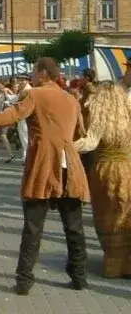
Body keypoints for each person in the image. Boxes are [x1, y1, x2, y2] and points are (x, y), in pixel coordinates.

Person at [0, 57, 89, 295]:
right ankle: (79, 277)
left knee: (33, 227)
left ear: (43, 74)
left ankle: (24, 281)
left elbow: (10, 116)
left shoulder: (36, 94)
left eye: (34, 73)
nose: (31, 77)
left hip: (44, 165)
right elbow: (80, 131)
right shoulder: (71, 99)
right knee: (74, 227)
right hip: (70, 166)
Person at [74, 81, 131, 278]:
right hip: (127, 169)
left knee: (108, 218)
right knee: (125, 217)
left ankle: (115, 266)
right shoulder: (128, 116)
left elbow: (89, 143)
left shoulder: (100, 120)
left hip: (104, 171)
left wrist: (65, 147)